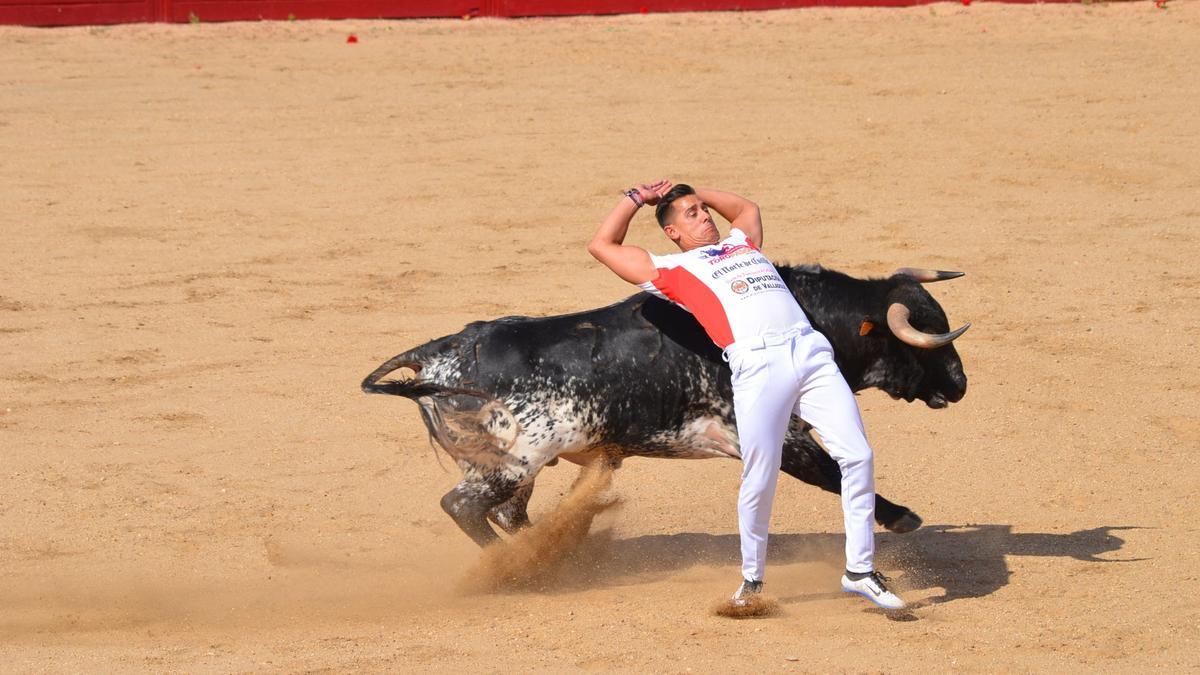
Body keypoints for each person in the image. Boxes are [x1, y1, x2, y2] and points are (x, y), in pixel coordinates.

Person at [586, 180, 905, 611]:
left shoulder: (742, 243)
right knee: (762, 474)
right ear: (672, 233)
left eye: (704, 209)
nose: (705, 216)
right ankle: (752, 578)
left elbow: (747, 208)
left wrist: (695, 189)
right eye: (692, 214)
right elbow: (602, 245)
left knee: (858, 456)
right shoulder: (669, 270)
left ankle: (860, 571)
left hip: (810, 353)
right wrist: (636, 200)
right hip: (758, 366)